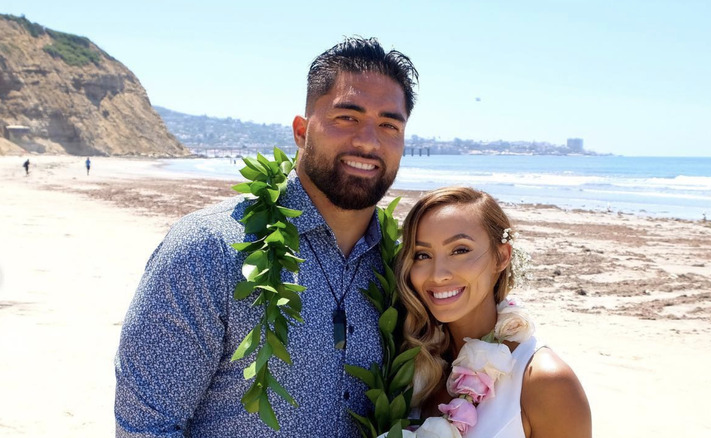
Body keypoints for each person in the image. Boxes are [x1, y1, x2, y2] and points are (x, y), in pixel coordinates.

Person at [114, 37, 419, 437]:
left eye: (388, 124)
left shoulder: (404, 269)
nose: (367, 141)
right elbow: (147, 426)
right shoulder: (209, 250)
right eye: (347, 117)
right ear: (301, 131)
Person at [397, 187, 591, 437]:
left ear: (501, 257)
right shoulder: (413, 364)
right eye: (422, 255)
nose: (438, 274)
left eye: (460, 250)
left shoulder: (544, 381)